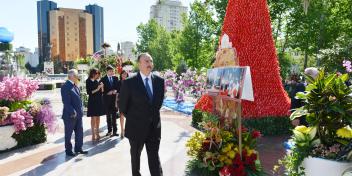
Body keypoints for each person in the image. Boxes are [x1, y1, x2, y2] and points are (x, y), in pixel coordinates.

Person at [119, 53, 165, 176]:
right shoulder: (129, 83)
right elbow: (122, 105)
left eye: (151, 61)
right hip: (136, 128)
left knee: (154, 157)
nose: (149, 63)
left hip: (154, 128)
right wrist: (136, 118)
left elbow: (158, 103)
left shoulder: (160, 81)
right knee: (135, 158)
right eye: (146, 61)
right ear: (139, 64)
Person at [61, 69, 88, 156]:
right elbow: (66, 102)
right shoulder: (65, 86)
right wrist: (73, 112)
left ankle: (78, 148)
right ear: (72, 76)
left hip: (78, 115)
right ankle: (68, 151)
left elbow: (78, 100)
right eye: (76, 75)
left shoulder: (75, 85)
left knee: (79, 132)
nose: (78, 77)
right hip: (70, 115)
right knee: (68, 134)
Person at [101, 65, 120, 137]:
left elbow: (118, 87)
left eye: (113, 71)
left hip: (114, 100)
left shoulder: (116, 78)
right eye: (110, 71)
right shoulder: (103, 79)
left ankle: (115, 131)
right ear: (107, 71)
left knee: (114, 116)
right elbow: (102, 90)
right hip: (106, 100)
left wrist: (115, 90)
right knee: (108, 116)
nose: (112, 72)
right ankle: (109, 131)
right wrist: (107, 93)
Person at [86, 68, 105, 142]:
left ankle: (97, 132)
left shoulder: (98, 80)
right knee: (93, 118)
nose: (98, 75)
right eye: (97, 73)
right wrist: (97, 88)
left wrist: (102, 87)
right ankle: (93, 134)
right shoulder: (88, 81)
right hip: (92, 101)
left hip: (98, 101)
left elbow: (102, 92)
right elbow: (89, 92)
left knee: (98, 117)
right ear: (93, 74)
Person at [116, 70, 129, 139]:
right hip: (121, 101)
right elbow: (117, 93)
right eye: (123, 74)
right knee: (121, 115)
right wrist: (115, 102)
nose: (124, 75)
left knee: (128, 116)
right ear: (121, 75)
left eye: (125, 74)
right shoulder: (118, 82)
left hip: (128, 101)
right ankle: (122, 131)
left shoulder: (129, 82)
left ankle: (126, 129)